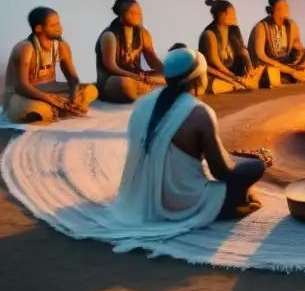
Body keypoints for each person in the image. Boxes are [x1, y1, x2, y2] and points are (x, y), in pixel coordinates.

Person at [110, 47, 266, 230]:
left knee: (241, 163)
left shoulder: (144, 103)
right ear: (199, 78)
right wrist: (248, 161)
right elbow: (221, 172)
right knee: (256, 166)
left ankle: (234, 199)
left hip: (140, 197)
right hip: (183, 201)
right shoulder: (199, 112)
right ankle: (224, 207)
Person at [2, 7, 98, 124]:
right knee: (40, 110)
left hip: (50, 89)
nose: (59, 28)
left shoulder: (61, 46)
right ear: (39, 28)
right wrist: (49, 99)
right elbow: (21, 86)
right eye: (53, 25)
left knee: (90, 89)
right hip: (22, 94)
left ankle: (62, 107)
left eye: (58, 23)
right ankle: (52, 109)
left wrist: (73, 93)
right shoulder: (25, 48)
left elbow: (72, 78)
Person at [95, 0, 166, 104]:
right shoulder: (110, 35)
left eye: (139, 13)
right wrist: (135, 77)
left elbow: (152, 59)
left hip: (137, 76)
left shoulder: (143, 34)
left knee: (170, 78)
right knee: (126, 85)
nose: (138, 15)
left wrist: (166, 73)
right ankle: (146, 89)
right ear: (122, 14)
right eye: (133, 13)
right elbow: (111, 67)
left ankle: (146, 88)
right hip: (115, 79)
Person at [248, 0, 305, 87]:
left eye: (286, 7)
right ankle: (294, 77)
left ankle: (296, 76)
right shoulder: (261, 27)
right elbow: (260, 56)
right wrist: (289, 71)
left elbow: (298, 46)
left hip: (286, 63)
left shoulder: (292, 25)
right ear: (272, 10)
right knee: (271, 75)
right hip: (269, 64)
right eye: (280, 9)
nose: (284, 11)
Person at [198, 0, 263, 93]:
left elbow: (243, 52)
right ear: (222, 15)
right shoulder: (209, 34)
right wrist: (233, 77)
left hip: (231, 72)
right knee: (217, 84)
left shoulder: (234, 30)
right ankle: (236, 85)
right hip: (217, 73)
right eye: (232, 13)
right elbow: (215, 63)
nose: (235, 16)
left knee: (261, 73)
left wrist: (250, 70)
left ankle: (238, 84)